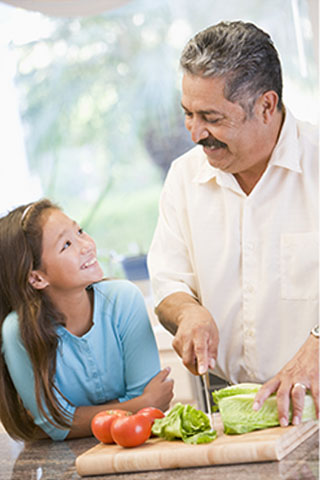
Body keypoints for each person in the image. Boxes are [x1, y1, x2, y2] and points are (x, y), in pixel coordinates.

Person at [147, 21, 318, 428]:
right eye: (187, 113)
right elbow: (168, 283)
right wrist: (189, 314)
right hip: (233, 409)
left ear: (266, 105)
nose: (195, 132)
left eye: (211, 117)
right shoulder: (183, 178)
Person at [0, 199, 173, 441]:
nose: (86, 246)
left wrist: (78, 417)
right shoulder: (17, 331)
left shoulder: (124, 299)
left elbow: (146, 409)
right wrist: (142, 402)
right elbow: (57, 424)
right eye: (67, 244)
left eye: (79, 231)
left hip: (134, 444)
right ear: (37, 278)